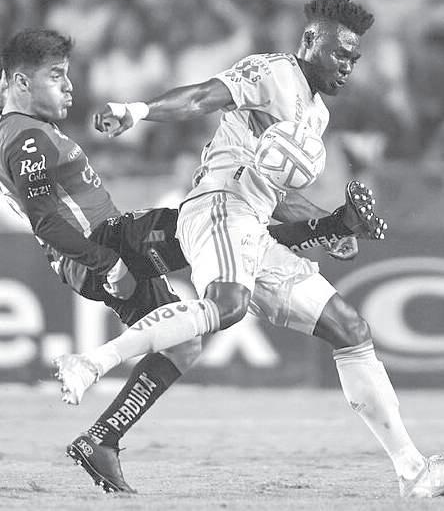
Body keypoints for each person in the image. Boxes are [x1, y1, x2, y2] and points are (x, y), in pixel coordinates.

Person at [56, 0, 444, 498]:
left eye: (354, 57)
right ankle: (92, 363)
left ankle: (412, 471)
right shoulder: (274, 72)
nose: (347, 65)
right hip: (218, 206)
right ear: (310, 40)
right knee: (227, 306)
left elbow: (277, 198)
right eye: (338, 52)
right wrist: (138, 110)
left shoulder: (316, 115)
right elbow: (203, 97)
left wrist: (334, 226)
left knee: (350, 328)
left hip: (251, 226)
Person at [0, 27, 383, 494]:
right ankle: (328, 227)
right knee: (216, 222)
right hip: (103, 245)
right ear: (20, 83)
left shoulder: (24, 132)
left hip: (95, 253)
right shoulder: (28, 139)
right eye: (56, 75)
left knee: (183, 344)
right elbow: (45, 223)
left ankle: (102, 439)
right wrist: (107, 262)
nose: (69, 86)